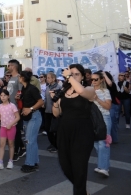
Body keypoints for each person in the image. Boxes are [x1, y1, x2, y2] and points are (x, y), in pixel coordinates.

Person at [51, 64, 96, 195]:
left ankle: (80, 191)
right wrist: (55, 102)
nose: (73, 76)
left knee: (79, 168)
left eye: (76, 74)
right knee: (65, 165)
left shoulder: (89, 89)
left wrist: (69, 77)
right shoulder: (64, 92)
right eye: (71, 74)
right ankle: (82, 189)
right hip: (64, 132)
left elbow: (81, 92)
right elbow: (56, 114)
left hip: (83, 133)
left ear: (82, 76)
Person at [19, 71, 44, 173]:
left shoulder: (32, 88)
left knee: (29, 140)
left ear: (23, 78)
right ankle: (34, 161)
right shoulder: (24, 88)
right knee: (31, 140)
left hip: (34, 116)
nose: (18, 78)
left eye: (19, 77)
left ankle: (30, 163)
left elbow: (41, 101)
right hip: (27, 116)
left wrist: (31, 109)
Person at [0, 89, 20, 170]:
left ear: (8, 96)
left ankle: (10, 161)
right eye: (1, 95)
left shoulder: (12, 106)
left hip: (11, 127)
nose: (3, 97)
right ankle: (0, 162)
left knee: (11, 144)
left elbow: (18, 117)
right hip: (3, 127)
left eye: (4, 95)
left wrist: (11, 124)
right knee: (2, 144)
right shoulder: (0, 106)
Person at [91, 71, 112, 177]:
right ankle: (102, 164)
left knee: (103, 142)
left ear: (101, 80)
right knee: (95, 142)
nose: (93, 81)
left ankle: (104, 168)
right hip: (92, 119)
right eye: (92, 79)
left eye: (96, 79)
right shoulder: (87, 90)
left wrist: (97, 99)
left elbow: (108, 107)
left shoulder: (105, 91)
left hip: (104, 117)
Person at [6, 59, 26, 161]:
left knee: (16, 130)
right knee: (13, 130)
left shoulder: (18, 78)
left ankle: (16, 151)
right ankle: (22, 147)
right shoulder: (11, 78)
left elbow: (21, 91)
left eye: (9, 65)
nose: (7, 67)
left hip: (16, 108)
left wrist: (18, 98)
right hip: (9, 107)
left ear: (13, 67)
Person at [44, 72, 61, 153]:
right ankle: (53, 143)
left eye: (49, 78)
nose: (47, 79)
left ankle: (56, 145)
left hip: (55, 111)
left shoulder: (58, 87)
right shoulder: (47, 87)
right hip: (47, 110)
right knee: (48, 128)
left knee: (55, 129)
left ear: (53, 78)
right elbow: (46, 98)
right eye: (47, 78)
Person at [102, 71, 119, 144]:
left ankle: (114, 139)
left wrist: (104, 74)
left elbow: (110, 83)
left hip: (112, 105)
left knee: (112, 123)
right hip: (104, 105)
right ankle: (109, 139)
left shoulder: (112, 84)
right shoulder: (101, 86)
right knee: (107, 123)